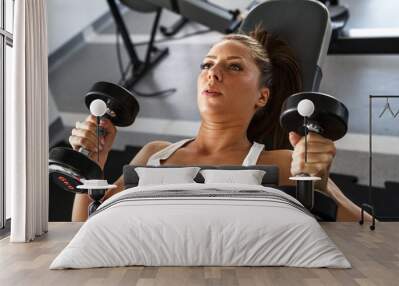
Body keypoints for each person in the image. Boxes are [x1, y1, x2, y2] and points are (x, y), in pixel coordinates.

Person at [69, 26, 371, 222]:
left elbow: (368, 231)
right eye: (207, 64)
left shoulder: (282, 161)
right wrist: (93, 162)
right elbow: (86, 228)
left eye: (234, 67)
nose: (213, 73)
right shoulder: (155, 153)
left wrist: (320, 186)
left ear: (262, 96)